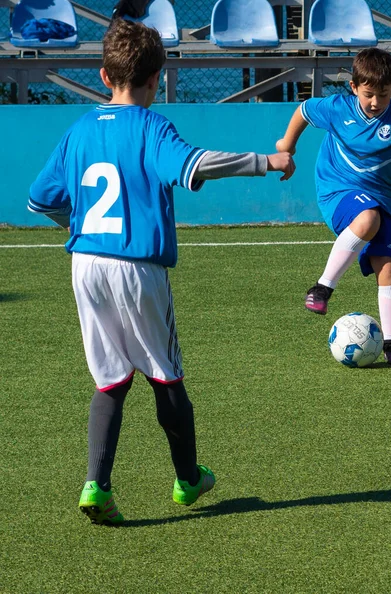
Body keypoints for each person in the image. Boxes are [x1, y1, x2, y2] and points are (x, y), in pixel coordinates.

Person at [27, 19, 295, 525]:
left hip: (85, 264)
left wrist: (79, 221)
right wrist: (267, 160)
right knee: (165, 373)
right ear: (156, 79)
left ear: (105, 75)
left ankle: (95, 485)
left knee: (109, 380)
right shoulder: (151, 127)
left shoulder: (79, 129)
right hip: (137, 267)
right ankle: (189, 477)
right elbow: (195, 165)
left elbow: (40, 199)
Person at [276, 48, 391, 365]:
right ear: (354, 87)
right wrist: (287, 145)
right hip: (337, 190)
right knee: (367, 219)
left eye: (383, 95)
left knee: (389, 266)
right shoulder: (336, 108)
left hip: (382, 199)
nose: (375, 102)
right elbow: (303, 110)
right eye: (368, 94)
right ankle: (322, 288)